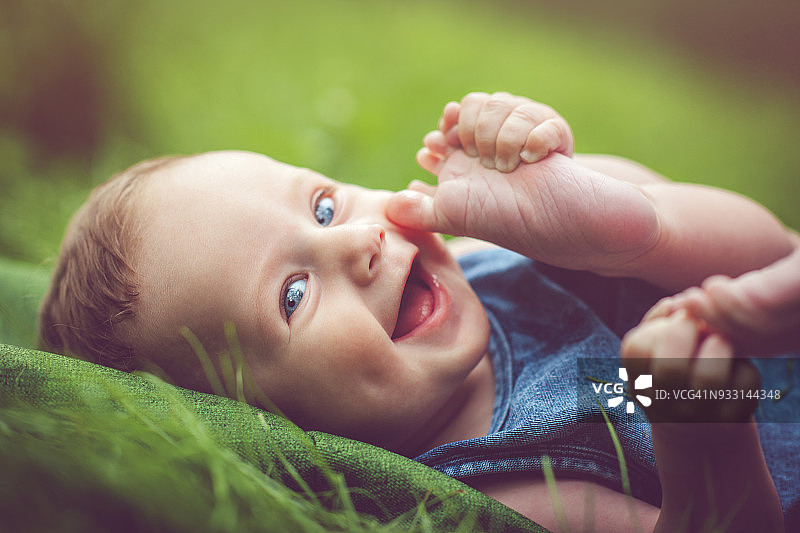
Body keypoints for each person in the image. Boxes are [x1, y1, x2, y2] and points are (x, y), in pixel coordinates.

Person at [38, 92, 797, 531]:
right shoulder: (506, 483)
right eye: (292, 295)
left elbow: (766, 250)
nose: (357, 245)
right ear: (273, 423)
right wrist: (704, 433)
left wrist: (630, 229)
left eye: (325, 205)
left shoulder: (490, 248)